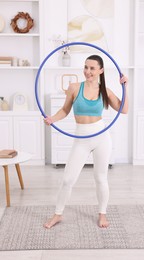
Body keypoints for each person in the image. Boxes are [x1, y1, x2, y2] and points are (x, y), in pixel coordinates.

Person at [43, 54, 128, 229]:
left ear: (101, 71)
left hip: (101, 137)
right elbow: (65, 110)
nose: (87, 71)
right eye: (86, 67)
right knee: (67, 179)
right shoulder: (74, 87)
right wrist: (53, 119)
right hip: (81, 138)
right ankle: (57, 214)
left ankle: (102, 214)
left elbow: (124, 109)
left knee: (100, 178)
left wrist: (125, 86)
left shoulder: (105, 91)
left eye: (92, 68)